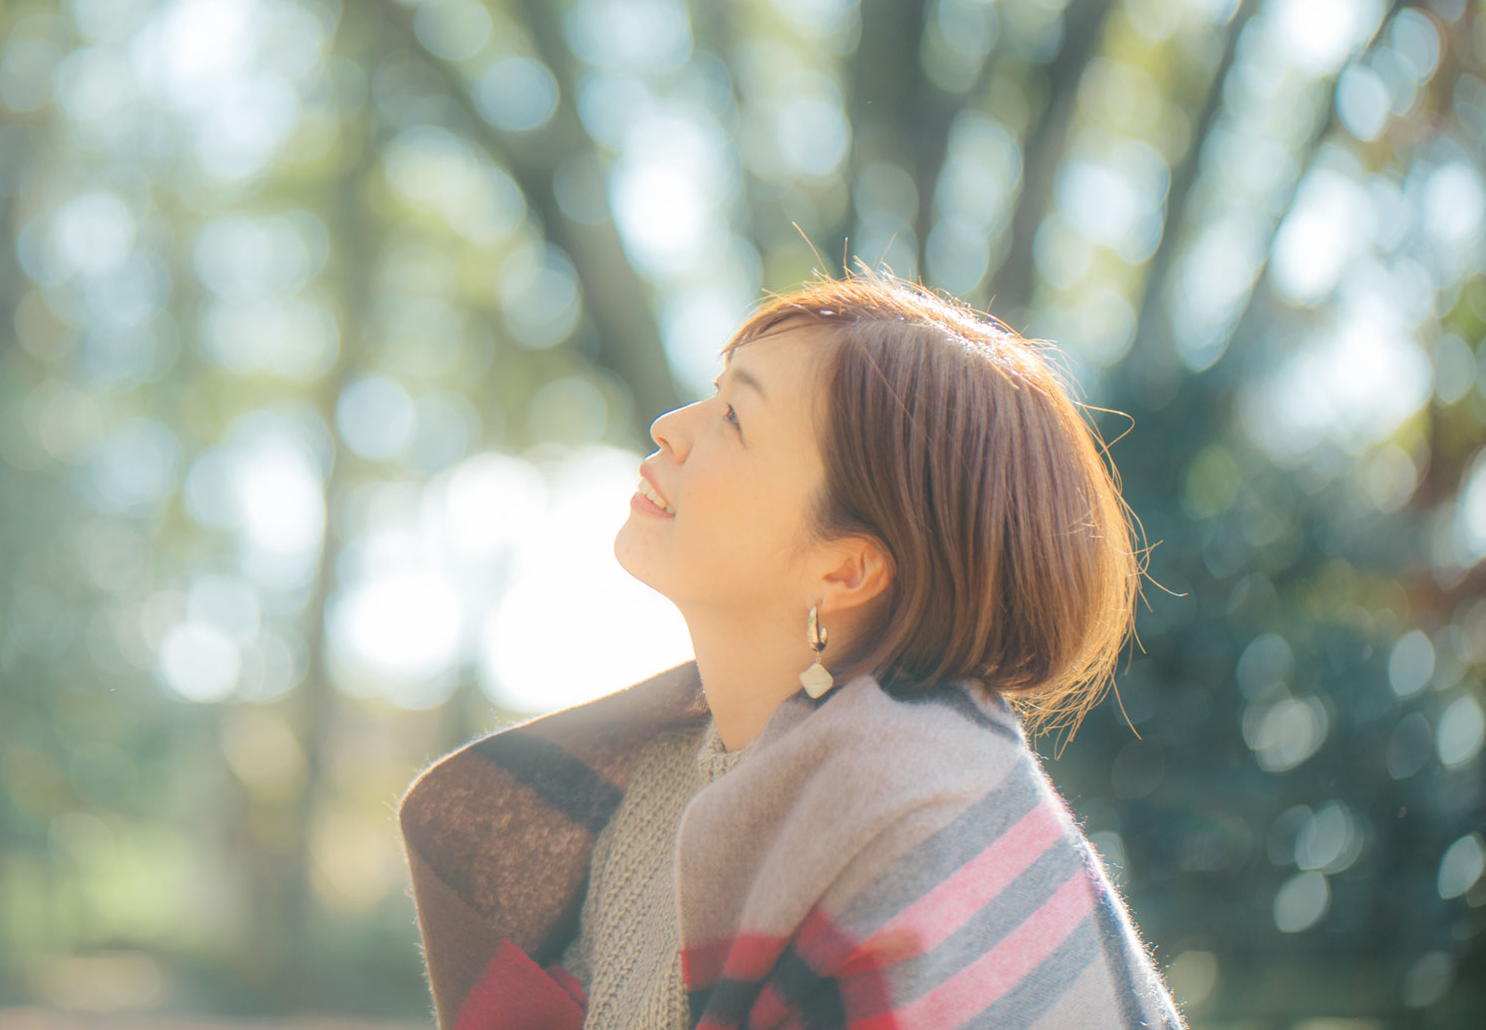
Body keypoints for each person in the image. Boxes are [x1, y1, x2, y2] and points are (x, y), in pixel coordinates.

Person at [396, 269, 1190, 1029]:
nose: (671, 427)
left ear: (844, 567)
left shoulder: (912, 818)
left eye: (736, 418)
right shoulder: (647, 793)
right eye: (715, 394)